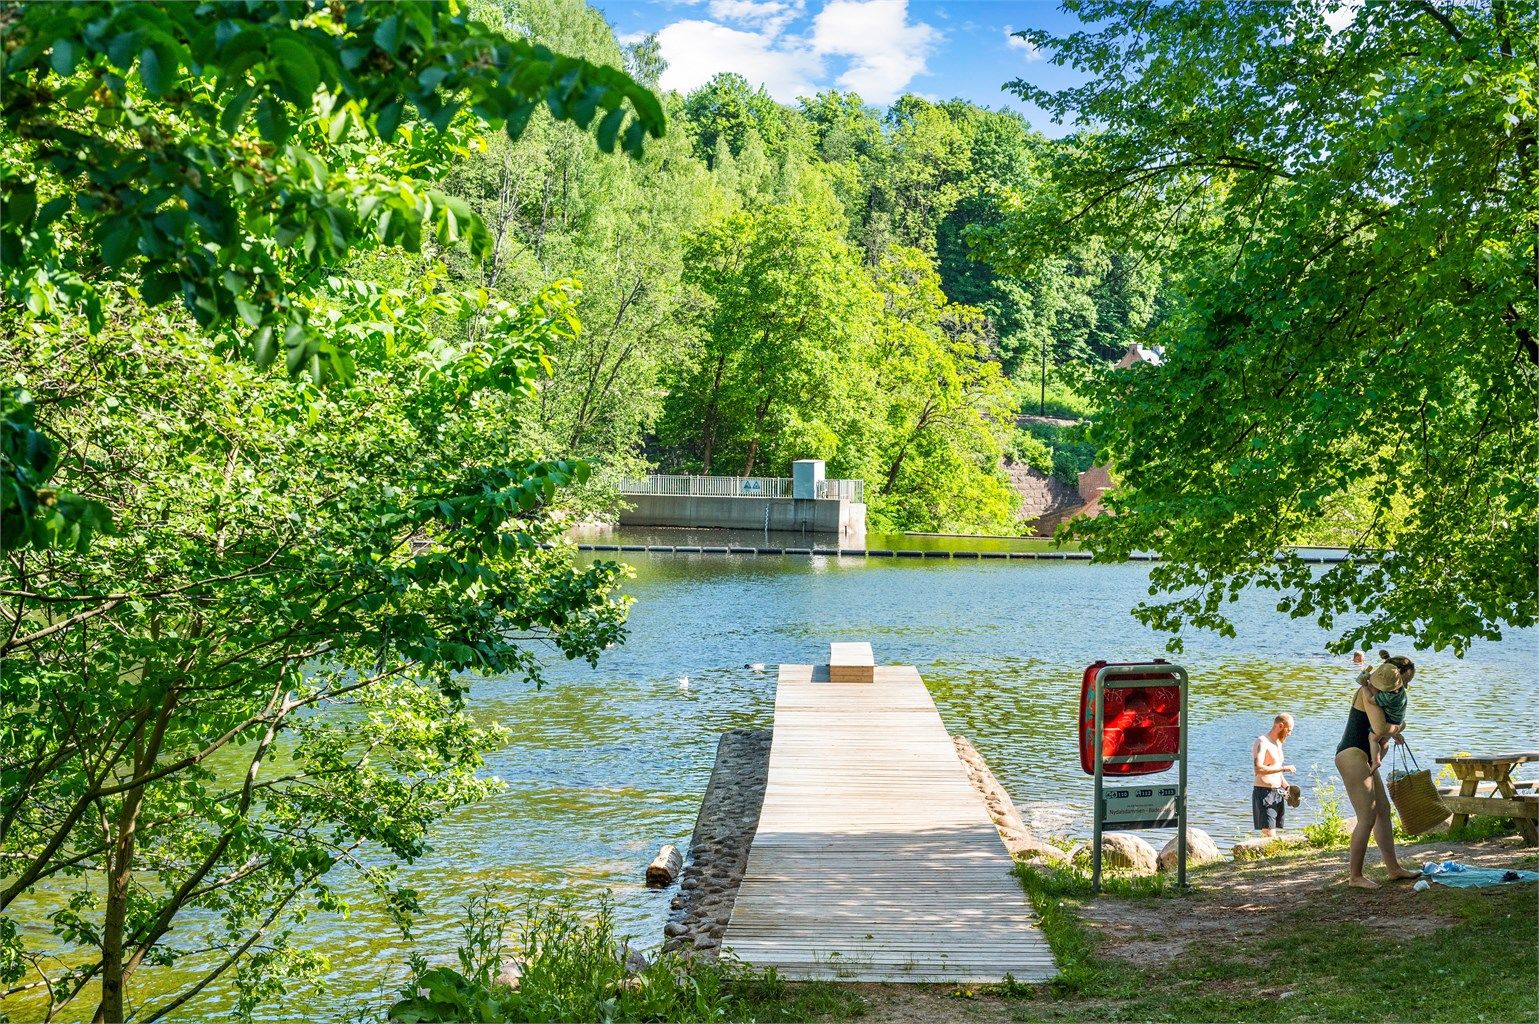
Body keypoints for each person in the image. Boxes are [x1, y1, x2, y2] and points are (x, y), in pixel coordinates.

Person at [1334, 656, 1418, 888]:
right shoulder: (1366, 691)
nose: (1405, 686)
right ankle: (1355, 877)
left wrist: (1392, 732)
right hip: (1352, 754)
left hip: (1366, 755)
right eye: (1405, 680)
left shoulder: (1382, 692)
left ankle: (1393, 869)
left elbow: (1381, 727)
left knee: (1383, 809)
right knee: (1367, 815)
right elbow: (1381, 728)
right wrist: (1400, 727)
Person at [1252, 713, 1295, 836]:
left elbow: (1277, 772)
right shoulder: (1262, 742)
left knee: (1272, 832)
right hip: (1264, 793)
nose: (1290, 734)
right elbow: (1258, 769)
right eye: (1289, 730)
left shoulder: (1278, 744)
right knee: (1269, 834)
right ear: (1281, 726)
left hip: (1278, 792)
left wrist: (1287, 787)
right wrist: (1284, 768)